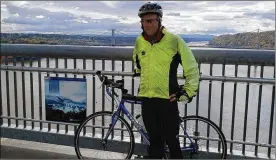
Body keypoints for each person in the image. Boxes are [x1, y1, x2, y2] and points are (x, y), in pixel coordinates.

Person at [132, 2, 200, 159]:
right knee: (154, 143)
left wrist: (187, 92)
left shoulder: (174, 41)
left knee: (172, 143)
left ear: (159, 21)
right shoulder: (139, 42)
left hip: (167, 101)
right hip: (148, 101)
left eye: (151, 20)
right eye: (144, 21)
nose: (147, 24)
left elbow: (192, 68)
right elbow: (138, 64)